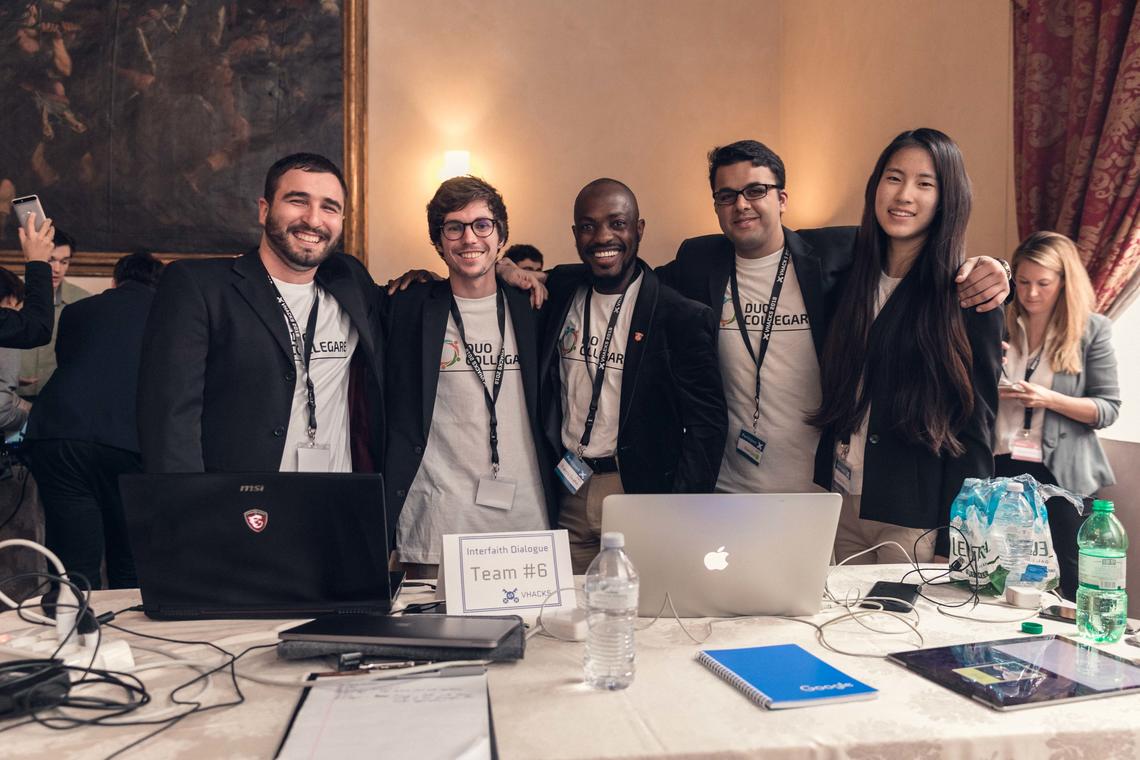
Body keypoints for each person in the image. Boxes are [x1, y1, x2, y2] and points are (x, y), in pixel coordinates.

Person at [656, 140, 1010, 498]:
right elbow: (634, 286)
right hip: (727, 487)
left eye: (756, 190)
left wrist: (998, 268)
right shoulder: (698, 261)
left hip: (820, 489)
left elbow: (919, 256)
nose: (742, 204)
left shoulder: (839, 253)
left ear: (781, 199)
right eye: (727, 195)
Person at [809, 128, 1003, 564]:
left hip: (912, 515)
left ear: (947, 198)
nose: (904, 195)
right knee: (835, 631)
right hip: (838, 500)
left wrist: (961, 540)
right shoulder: (845, 280)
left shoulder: (967, 296)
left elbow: (975, 429)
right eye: (894, 178)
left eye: (925, 183)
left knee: (894, 633)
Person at [138, 152, 385, 474]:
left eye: (329, 207)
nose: (313, 219)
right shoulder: (200, 287)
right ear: (265, 209)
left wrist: (428, 280)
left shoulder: (351, 280)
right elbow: (169, 416)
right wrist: (191, 512)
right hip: (243, 504)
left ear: (341, 221)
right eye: (298, 201)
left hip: (336, 500)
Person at [542, 178, 727, 572]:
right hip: (568, 491)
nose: (602, 237)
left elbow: (707, 426)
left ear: (638, 229)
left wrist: (680, 511)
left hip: (637, 491)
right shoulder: (560, 292)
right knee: (567, 618)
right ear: (575, 234)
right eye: (589, 226)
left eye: (617, 223)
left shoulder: (680, 316)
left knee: (641, 619)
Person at [383, 177, 556, 577]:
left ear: (501, 236)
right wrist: (415, 275)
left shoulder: (535, 306)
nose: (468, 238)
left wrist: (510, 268)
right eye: (453, 227)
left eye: (482, 225)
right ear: (438, 240)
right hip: (436, 522)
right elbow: (341, 275)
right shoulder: (408, 307)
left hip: (524, 518)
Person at [25, 251, 164, 589]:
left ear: (115, 280)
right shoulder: (169, 313)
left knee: (73, 560)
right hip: (128, 439)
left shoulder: (77, 310)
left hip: (59, 433)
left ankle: (70, 631)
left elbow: (71, 362)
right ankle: (127, 637)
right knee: (129, 560)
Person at [996, 230, 1120, 599]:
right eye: (1023, 282)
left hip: (1062, 475)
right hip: (1002, 469)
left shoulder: (1091, 330)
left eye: (1043, 283)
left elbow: (1107, 409)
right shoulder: (1000, 324)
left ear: (1065, 281)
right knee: (1004, 578)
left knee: (1070, 582)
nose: (1031, 293)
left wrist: (1047, 398)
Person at [19, 227, 91, 398]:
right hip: (12, 396)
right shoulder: (10, 296)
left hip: (60, 396)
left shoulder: (83, 301)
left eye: (64, 261)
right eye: (50, 260)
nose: (57, 269)